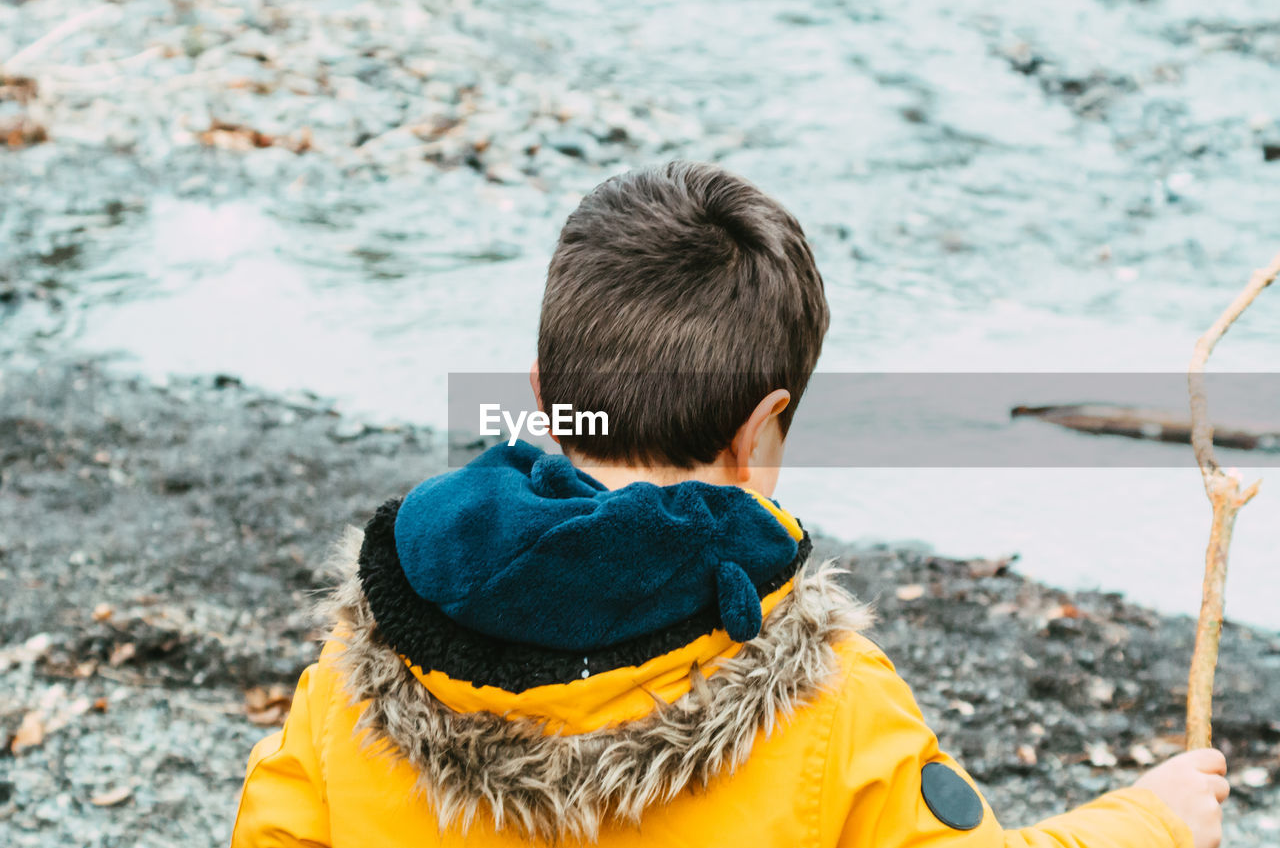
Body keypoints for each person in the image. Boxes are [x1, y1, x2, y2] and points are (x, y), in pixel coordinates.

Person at [231, 162, 1228, 848]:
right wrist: (1150, 817)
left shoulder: (355, 673)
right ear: (758, 429)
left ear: (541, 389)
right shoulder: (832, 703)